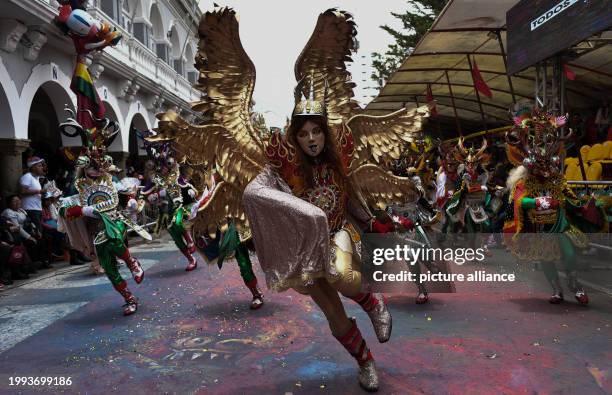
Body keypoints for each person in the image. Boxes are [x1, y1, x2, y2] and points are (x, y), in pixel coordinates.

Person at [2, 195, 49, 269]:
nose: (17, 202)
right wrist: (29, 237)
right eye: (14, 201)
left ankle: (43, 261)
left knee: (42, 239)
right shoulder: (8, 212)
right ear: (9, 204)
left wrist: (36, 231)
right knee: (31, 242)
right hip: (17, 234)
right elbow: (18, 228)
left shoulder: (21, 210)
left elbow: (30, 221)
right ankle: (32, 263)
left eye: (18, 200)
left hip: (27, 231)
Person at [20, 156, 46, 238]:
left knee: (39, 233)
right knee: (37, 234)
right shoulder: (27, 176)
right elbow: (23, 191)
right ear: (33, 167)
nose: (42, 167)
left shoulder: (36, 178)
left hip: (36, 209)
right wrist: (40, 191)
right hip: (30, 209)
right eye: (39, 165)